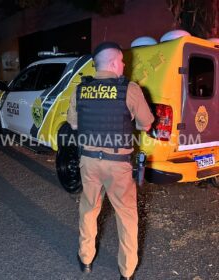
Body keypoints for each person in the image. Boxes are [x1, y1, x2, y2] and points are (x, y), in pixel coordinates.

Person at [67, 41, 154, 280]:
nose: (124, 64)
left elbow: (73, 124)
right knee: (126, 215)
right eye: (123, 61)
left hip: (89, 161)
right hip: (118, 163)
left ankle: (85, 259)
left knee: (89, 209)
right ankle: (126, 272)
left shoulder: (80, 89)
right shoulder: (130, 89)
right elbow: (146, 123)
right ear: (115, 62)